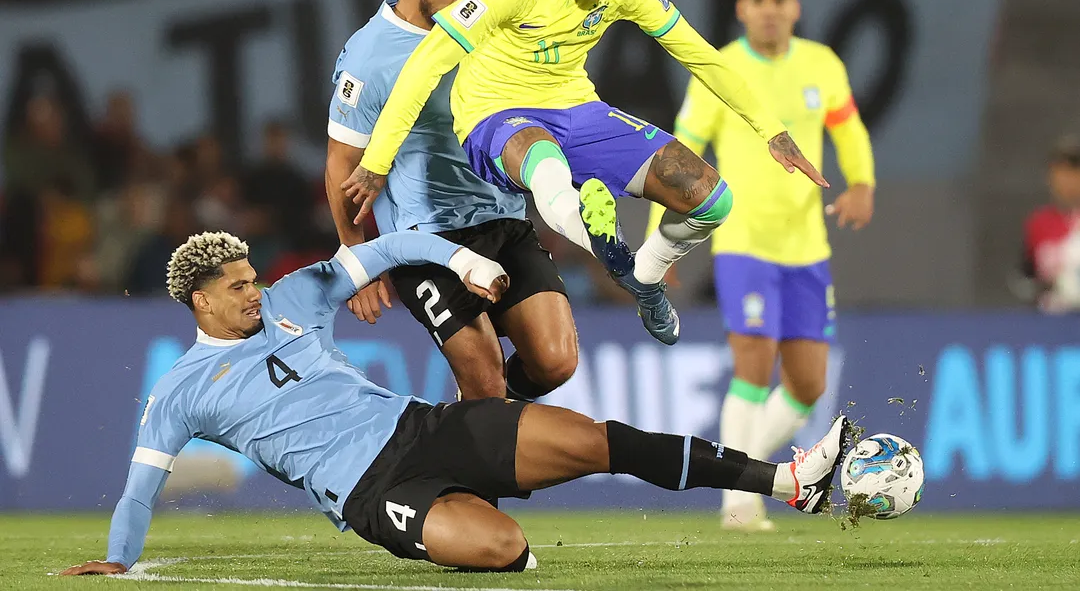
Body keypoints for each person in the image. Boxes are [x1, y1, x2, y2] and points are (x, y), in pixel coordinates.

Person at [60, 230, 849, 576]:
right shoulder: (179, 392)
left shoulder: (297, 296)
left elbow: (395, 250)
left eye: (252, 276)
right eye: (236, 287)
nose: (253, 291)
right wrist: (121, 558)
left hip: (424, 429)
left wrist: (460, 260)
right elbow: (142, 484)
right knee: (503, 549)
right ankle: (485, 532)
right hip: (374, 495)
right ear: (199, 302)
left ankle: (789, 482)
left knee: (601, 440)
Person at [340, 0, 828, 348]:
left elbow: (699, 54)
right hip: (494, 112)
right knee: (545, 162)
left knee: (711, 201)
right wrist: (378, 160)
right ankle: (600, 237)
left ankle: (644, 277)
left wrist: (772, 130)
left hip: (576, 106)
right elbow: (428, 63)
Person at [649, 0, 874, 531]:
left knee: (807, 385)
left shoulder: (821, 63)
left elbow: (847, 128)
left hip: (807, 248)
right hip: (744, 243)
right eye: (758, 0)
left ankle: (751, 477)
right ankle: (739, 501)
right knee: (753, 368)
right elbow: (679, 154)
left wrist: (863, 184)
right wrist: (663, 237)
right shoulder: (720, 71)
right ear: (741, 8)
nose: (770, 9)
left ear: (795, 7)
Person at [324, 0, 578, 402]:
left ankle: (481, 430)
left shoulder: (487, 31)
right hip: (426, 241)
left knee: (555, 362)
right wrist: (358, 259)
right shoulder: (369, 58)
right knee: (483, 384)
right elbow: (341, 164)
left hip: (504, 219)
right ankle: (485, 436)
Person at [1019, 134, 1080, 313]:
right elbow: (1025, 277)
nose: (1066, 181)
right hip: (1051, 323)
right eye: (1059, 173)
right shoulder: (1039, 223)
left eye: (1073, 172)